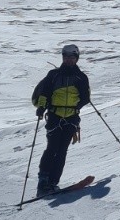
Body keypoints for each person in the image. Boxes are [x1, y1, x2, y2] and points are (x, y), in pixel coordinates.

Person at [31, 43, 90, 196]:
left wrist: (74, 107)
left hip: (70, 118)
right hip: (55, 117)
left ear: (76, 59)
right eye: (66, 57)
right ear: (63, 58)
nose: (69, 60)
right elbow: (44, 93)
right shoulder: (54, 75)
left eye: (72, 57)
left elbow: (85, 98)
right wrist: (41, 107)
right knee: (52, 149)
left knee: (62, 150)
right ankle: (43, 182)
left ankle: (52, 182)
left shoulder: (81, 78)